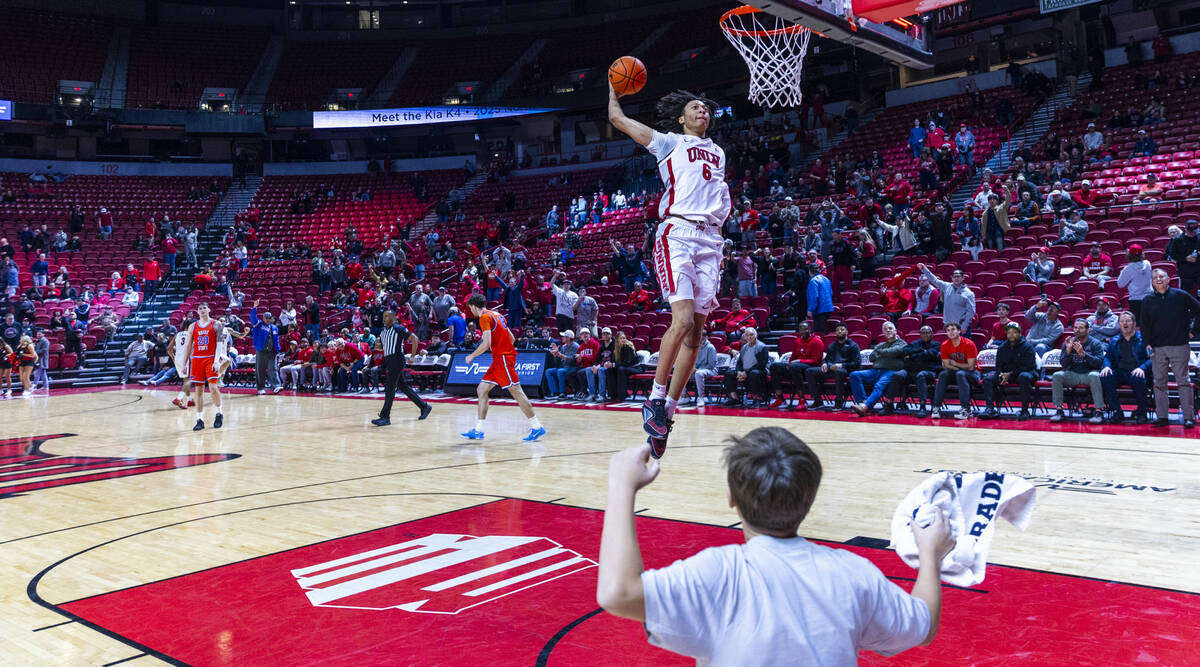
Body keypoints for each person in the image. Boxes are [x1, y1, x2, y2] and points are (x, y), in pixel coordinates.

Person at [597, 427, 952, 664]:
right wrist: (930, 556)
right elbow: (924, 624)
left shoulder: (718, 572)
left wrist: (621, 485)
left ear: (732, 499)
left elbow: (617, 593)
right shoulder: (854, 573)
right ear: (811, 498)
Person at [609, 82, 731, 458]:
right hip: (677, 234)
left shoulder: (718, 152)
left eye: (706, 109)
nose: (702, 111)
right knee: (680, 322)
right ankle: (654, 399)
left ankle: (667, 416)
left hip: (711, 242)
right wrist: (612, 88)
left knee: (697, 335)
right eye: (694, 107)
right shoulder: (669, 143)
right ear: (681, 118)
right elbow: (617, 119)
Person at [461, 294, 545, 441]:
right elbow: (511, 338)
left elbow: (486, 343)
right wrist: (501, 347)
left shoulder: (484, 318)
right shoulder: (497, 314)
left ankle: (537, 427)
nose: (470, 311)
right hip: (500, 358)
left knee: (516, 391)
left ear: (474, 306)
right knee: (481, 389)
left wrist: (472, 356)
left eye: (470, 308)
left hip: (503, 358)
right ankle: (479, 430)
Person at [1141, 269, 1200, 428]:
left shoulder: (1181, 295)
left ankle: (1188, 417)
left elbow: (1198, 310)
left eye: (1161, 276)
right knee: (1159, 383)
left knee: (1183, 382)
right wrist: (1147, 344)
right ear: (1152, 282)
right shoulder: (1147, 300)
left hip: (1179, 345)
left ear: (1168, 279)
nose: (1158, 279)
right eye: (1155, 278)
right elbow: (1144, 325)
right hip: (1157, 348)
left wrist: (1194, 331)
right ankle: (1162, 417)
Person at [372, 310, 432, 426]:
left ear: (393, 318)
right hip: (389, 360)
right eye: (383, 316)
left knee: (390, 387)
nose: (384, 318)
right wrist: (378, 346)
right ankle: (424, 406)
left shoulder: (398, 328)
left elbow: (414, 338)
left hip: (397, 359)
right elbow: (381, 348)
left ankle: (385, 417)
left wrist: (413, 356)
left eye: (387, 316)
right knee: (402, 386)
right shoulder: (383, 331)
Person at [1049, 319, 1107, 424]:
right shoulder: (1068, 342)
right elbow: (1063, 364)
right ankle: (1059, 411)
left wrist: (1084, 354)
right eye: (1075, 327)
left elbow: (1099, 363)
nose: (1077, 330)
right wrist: (1067, 351)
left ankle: (1099, 412)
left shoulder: (1095, 343)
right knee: (1057, 375)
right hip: (1073, 374)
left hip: (1089, 374)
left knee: (1095, 375)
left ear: (1088, 330)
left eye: (1081, 328)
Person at [1100, 312, 1152, 425]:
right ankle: (1117, 412)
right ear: (1119, 324)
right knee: (1106, 377)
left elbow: (1152, 358)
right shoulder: (1114, 340)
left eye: (1128, 321)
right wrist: (1107, 366)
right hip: (1121, 372)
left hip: (1138, 372)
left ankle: (1142, 413)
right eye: (1122, 321)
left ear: (1134, 324)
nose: (1125, 323)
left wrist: (1142, 368)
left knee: (1138, 379)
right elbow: (1107, 357)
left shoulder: (1145, 340)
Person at [980, 322, 1037, 420]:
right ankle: (990, 409)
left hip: (1024, 373)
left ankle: (1024, 411)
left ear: (1019, 334)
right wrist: (1001, 374)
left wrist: (1010, 374)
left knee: (1024, 377)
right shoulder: (1002, 347)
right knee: (987, 380)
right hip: (1006, 375)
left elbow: (1028, 366)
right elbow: (998, 365)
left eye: (1014, 332)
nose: (1011, 334)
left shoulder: (1027, 347)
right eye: (1009, 332)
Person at [183, 303, 225, 431]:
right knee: (199, 391)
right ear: (197, 311)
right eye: (200, 308)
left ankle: (219, 413)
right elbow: (189, 346)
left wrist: (217, 361)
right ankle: (199, 419)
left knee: (213, 387)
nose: (202, 310)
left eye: (204, 308)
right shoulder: (192, 326)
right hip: (197, 360)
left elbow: (219, 345)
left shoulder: (216, 324)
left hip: (211, 359)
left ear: (209, 309)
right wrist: (184, 362)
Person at [850, 322, 906, 415]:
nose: (888, 330)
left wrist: (880, 353)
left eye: (890, 328)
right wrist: (886, 353)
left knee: (878, 385)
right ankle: (862, 403)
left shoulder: (902, 343)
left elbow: (894, 352)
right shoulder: (881, 345)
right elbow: (871, 357)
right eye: (885, 329)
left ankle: (865, 407)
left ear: (896, 331)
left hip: (891, 371)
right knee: (854, 375)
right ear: (883, 333)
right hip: (875, 371)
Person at [767, 321, 823, 410]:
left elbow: (815, 361)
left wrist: (799, 361)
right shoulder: (797, 341)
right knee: (775, 366)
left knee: (795, 366)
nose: (802, 332)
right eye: (800, 330)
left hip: (810, 368)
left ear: (809, 330)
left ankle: (802, 399)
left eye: (804, 330)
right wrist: (789, 363)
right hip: (796, 368)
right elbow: (793, 357)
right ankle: (780, 398)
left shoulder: (817, 341)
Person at [806, 324, 860, 409]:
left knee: (839, 372)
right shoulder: (832, 345)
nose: (839, 331)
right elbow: (826, 359)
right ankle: (817, 400)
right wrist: (824, 364)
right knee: (810, 371)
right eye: (837, 330)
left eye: (842, 329)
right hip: (831, 369)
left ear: (846, 332)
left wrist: (841, 365)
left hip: (845, 371)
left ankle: (838, 401)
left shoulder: (853, 345)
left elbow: (856, 363)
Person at [933, 322, 979, 420]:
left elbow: (971, 367)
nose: (951, 332)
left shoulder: (968, 344)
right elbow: (946, 366)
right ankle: (936, 407)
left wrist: (955, 364)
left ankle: (966, 409)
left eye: (953, 329)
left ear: (959, 331)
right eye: (948, 330)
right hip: (957, 373)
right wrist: (957, 367)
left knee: (960, 374)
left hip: (973, 374)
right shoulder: (945, 345)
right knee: (943, 374)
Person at [918, 264, 975, 333]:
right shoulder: (946, 286)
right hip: (948, 326)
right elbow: (934, 279)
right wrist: (924, 269)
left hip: (961, 326)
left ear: (963, 278)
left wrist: (964, 326)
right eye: (954, 276)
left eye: (958, 276)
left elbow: (971, 312)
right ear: (952, 278)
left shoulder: (969, 293)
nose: (956, 278)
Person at [723, 328, 769, 407]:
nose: (749, 337)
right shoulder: (744, 347)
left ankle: (756, 399)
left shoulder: (762, 346)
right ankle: (734, 398)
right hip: (745, 372)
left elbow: (762, 364)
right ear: (745, 337)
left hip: (760, 371)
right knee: (728, 374)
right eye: (747, 335)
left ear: (755, 336)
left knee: (754, 373)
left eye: (751, 335)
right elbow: (739, 363)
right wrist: (739, 372)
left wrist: (745, 373)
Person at [250, 300, 282, 395]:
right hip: (261, 351)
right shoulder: (258, 325)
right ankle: (260, 388)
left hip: (271, 352)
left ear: (272, 319)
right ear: (263, 318)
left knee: (273, 369)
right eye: (266, 318)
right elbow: (253, 318)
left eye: (269, 318)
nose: (268, 320)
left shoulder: (275, 328)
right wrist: (254, 308)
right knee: (260, 370)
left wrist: (278, 351)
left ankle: (276, 386)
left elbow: (276, 340)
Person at [689, 335, 717, 407]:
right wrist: (692, 368)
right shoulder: (695, 347)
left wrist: (697, 370)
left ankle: (701, 397)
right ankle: (683, 396)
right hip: (698, 370)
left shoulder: (711, 347)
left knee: (699, 373)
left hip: (711, 370)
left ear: (706, 337)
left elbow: (711, 365)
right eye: (699, 338)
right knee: (683, 372)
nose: (700, 340)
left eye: (702, 338)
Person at [805, 263, 834, 333]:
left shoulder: (813, 281)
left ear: (809, 271)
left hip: (819, 309)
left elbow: (814, 296)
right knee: (824, 330)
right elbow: (831, 293)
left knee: (819, 332)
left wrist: (810, 309)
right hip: (828, 308)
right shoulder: (826, 279)